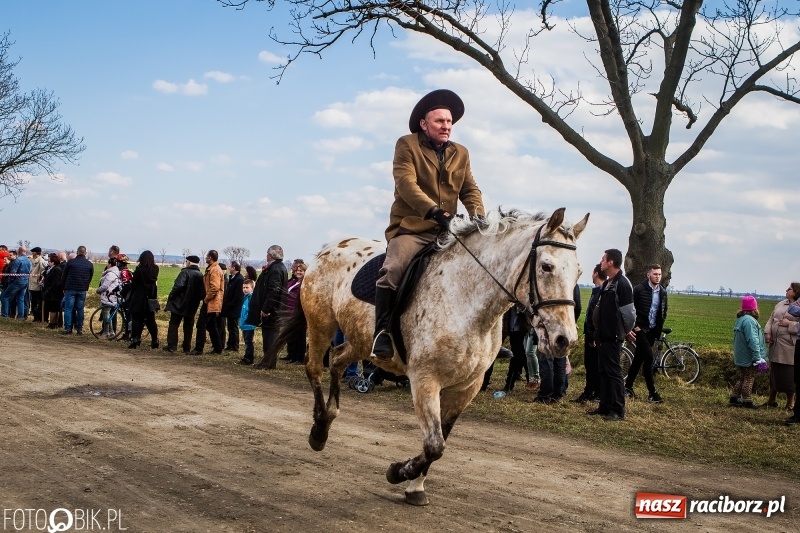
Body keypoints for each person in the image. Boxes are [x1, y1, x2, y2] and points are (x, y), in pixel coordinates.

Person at [372, 89, 485, 361]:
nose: (446, 126)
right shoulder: (406, 145)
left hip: (448, 231)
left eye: (449, 122)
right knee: (393, 268)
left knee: (481, 265)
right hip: (413, 228)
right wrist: (434, 212)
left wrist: (479, 218)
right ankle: (382, 332)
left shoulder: (461, 152)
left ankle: (482, 336)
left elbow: (470, 189)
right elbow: (406, 184)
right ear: (424, 124)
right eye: (440, 121)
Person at [589, 249, 635, 421]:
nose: (601, 262)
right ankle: (604, 406)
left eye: (603, 259)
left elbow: (629, 315)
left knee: (614, 373)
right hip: (602, 335)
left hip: (613, 336)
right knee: (604, 371)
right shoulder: (609, 283)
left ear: (611, 262)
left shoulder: (622, 284)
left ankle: (617, 409)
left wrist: (623, 331)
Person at [624, 264, 668, 403]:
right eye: (655, 274)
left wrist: (658, 329)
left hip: (652, 331)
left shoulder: (663, 292)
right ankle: (652, 393)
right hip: (640, 330)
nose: (658, 276)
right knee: (649, 357)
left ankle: (627, 387)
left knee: (638, 359)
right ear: (648, 275)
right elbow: (631, 309)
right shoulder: (639, 289)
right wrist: (634, 326)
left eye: (659, 274)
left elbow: (663, 311)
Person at [249, 245, 287, 369]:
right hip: (275, 309)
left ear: (270, 255)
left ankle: (268, 363)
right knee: (268, 335)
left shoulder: (276, 269)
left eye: (267, 253)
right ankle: (267, 361)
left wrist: (266, 309)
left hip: (273, 311)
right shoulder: (276, 267)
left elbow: (274, 291)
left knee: (271, 337)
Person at [573, 264, 607, 403]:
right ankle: (589, 392)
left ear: (596, 273)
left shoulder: (602, 292)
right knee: (590, 365)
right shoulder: (597, 291)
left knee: (594, 365)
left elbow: (598, 317)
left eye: (593, 272)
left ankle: (596, 393)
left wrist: (593, 335)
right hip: (590, 334)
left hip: (595, 336)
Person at [763, 283, 799, 411]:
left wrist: (789, 324)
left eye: (790, 289)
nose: (786, 290)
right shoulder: (780, 304)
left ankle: (790, 403)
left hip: (789, 345)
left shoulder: (798, 307)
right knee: (774, 373)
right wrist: (767, 333)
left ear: (796, 292)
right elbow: (771, 319)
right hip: (776, 344)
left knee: (789, 374)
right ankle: (771, 399)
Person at [730, 295, 767, 408]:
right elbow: (753, 340)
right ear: (754, 309)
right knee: (749, 378)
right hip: (749, 356)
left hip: (741, 355)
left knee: (742, 377)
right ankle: (747, 401)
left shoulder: (741, 319)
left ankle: (734, 397)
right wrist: (757, 357)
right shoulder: (750, 321)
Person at [163, 255, 205, 353]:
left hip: (179, 303)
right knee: (188, 326)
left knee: (174, 323)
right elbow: (202, 292)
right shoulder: (200, 275)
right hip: (192, 305)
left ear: (189, 262)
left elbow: (178, 286)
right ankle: (187, 347)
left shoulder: (184, 272)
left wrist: (171, 297)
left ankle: (172, 345)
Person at [190, 250, 225, 355]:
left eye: (207, 256)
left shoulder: (214, 270)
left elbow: (214, 287)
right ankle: (218, 348)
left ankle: (199, 348)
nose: (205, 258)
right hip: (213, 302)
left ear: (210, 257)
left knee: (201, 324)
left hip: (211, 302)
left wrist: (206, 298)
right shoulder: (214, 268)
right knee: (211, 325)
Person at [125, 250, 159, 349]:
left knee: (136, 318)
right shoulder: (155, 269)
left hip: (139, 297)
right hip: (150, 297)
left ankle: (136, 338)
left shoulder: (139, 269)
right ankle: (154, 340)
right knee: (151, 320)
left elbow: (134, 284)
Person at [60, 246, 94, 335]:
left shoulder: (70, 263)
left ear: (77, 252)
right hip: (82, 289)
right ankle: (79, 329)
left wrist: (63, 287)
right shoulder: (89, 264)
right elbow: (90, 277)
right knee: (80, 309)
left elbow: (64, 276)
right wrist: (86, 286)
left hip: (70, 288)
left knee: (68, 309)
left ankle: (67, 328)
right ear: (85, 253)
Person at [284, 262, 308, 364]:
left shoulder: (305, 284)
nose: (298, 272)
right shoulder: (294, 281)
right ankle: (293, 356)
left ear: (305, 272)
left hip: (299, 312)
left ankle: (300, 357)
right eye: (297, 270)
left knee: (300, 336)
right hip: (289, 311)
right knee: (293, 335)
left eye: (301, 271)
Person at [0, 247, 30, 319]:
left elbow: (13, 273)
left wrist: (10, 281)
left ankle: (4, 315)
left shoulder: (17, 260)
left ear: (19, 251)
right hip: (25, 281)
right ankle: (20, 316)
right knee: (20, 299)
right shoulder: (28, 260)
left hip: (16, 282)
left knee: (4, 297)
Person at [221, 261, 244, 352]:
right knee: (230, 327)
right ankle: (230, 344)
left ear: (234, 268)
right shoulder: (233, 278)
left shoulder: (239, 279)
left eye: (230, 266)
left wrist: (230, 304)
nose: (229, 268)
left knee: (234, 327)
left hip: (234, 308)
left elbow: (238, 296)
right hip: (230, 307)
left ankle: (235, 346)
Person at [95, 258, 120, 338]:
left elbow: (105, 286)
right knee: (109, 315)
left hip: (108, 296)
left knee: (106, 315)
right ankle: (111, 332)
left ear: (110, 264)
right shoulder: (116, 272)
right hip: (112, 296)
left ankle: (106, 332)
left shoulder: (110, 274)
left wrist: (98, 290)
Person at [237, 279, 257, 365]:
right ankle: (247, 356)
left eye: (247, 287)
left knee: (248, 342)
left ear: (252, 288)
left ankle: (249, 358)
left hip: (249, 324)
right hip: (245, 324)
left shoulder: (251, 298)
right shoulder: (245, 298)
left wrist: (246, 320)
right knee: (246, 341)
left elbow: (250, 311)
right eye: (243, 287)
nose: (245, 289)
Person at [28, 247, 47, 322]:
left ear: (36, 253)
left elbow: (43, 271)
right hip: (32, 284)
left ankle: (37, 317)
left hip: (37, 285)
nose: (32, 253)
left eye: (33, 252)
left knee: (37, 301)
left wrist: (39, 279)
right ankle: (35, 316)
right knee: (33, 301)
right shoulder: (34, 260)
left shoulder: (41, 261)